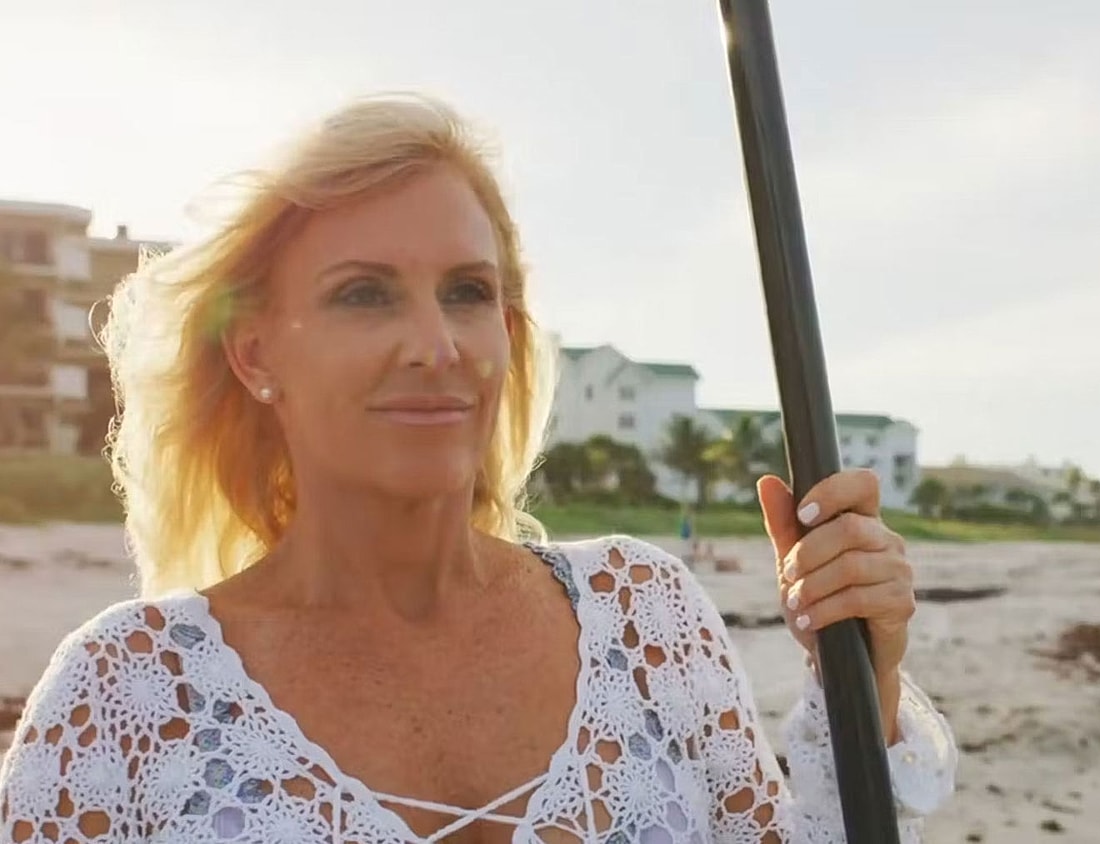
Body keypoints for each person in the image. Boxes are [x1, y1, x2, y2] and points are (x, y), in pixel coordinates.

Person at [0, 93, 956, 843]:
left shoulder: (644, 617)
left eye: (468, 293)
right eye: (364, 295)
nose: (436, 345)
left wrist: (860, 675)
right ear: (253, 354)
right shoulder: (123, 696)